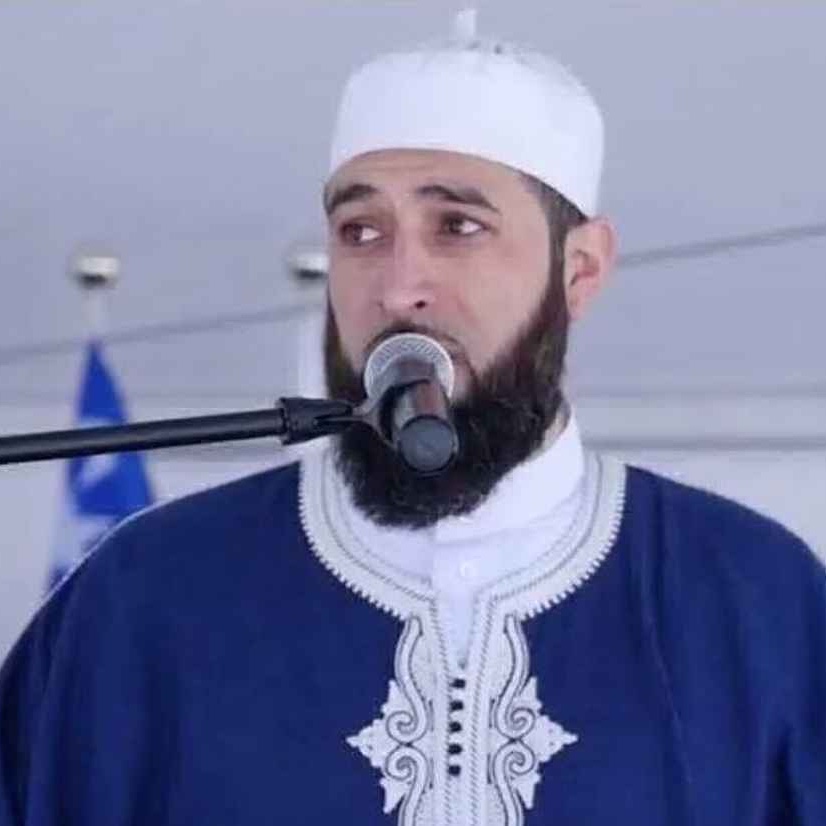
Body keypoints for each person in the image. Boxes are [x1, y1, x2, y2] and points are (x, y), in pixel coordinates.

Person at [1, 11, 824, 826]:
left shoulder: (757, 600)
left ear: (579, 269)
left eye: (458, 227)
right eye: (361, 231)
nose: (397, 289)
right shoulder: (146, 595)